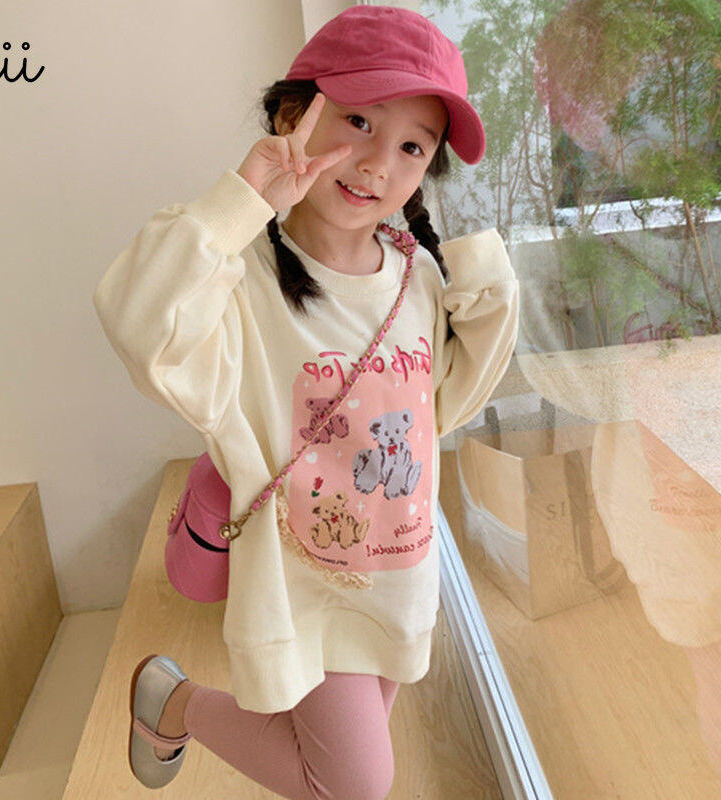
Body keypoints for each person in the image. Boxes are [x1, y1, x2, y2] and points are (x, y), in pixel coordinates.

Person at [93, 5, 520, 797]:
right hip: (300, 588)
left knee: (333, 758)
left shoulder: (417, 277)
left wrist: (487, 286)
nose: (378, 163)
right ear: (294, 114)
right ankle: (172, 700)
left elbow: (445, 407)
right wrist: (242, 200)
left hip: (399, 577)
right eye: (359, 120)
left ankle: (170, 699)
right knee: (352, 784)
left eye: (413, 146)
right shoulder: (242, 282)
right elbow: (138, 322)